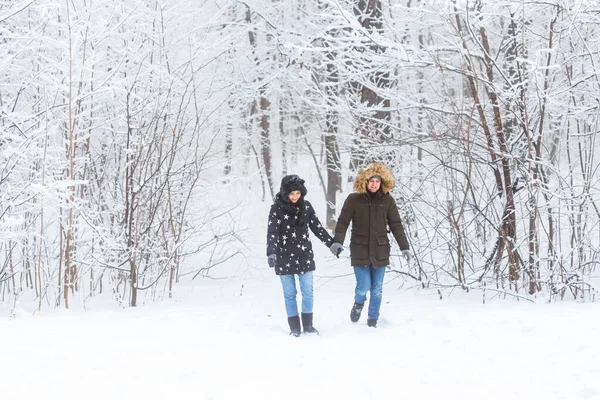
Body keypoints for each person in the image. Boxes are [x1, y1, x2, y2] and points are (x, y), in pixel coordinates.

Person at [330, 162, 411, 328]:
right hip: (360, 249)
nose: (374, 184)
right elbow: (343, 222)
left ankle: (372, 320)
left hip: (380, 250)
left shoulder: (387, 201)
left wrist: (404, 246)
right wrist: (338, 241)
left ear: (382, 183)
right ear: (365, 182)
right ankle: (359, 303)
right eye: (371, 181)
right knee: (363, 286)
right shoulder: (354, 199)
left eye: (377, 181)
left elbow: (396, 224)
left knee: (377, 289)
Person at [266, 175, 342, 337]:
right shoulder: (276, 209)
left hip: (304, 255)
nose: (295, 197)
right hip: (283, 256)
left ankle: (308, 326)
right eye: (292, 193)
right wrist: (271, 252)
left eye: (298, 193)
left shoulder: (306, 207)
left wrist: (331, 244)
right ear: (285, 193)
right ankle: (294, 328)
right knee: (290, 294)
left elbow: (317, 227)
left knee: (307, 292)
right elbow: (272, 232)